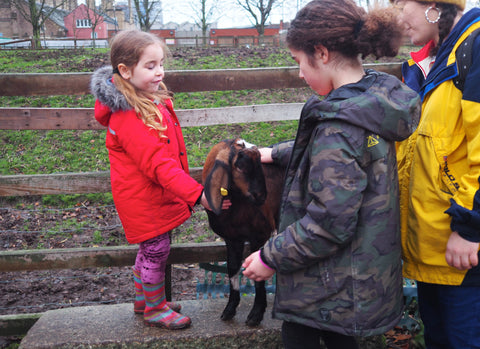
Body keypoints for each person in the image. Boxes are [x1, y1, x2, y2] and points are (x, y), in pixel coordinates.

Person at [241, 1, 421, 348]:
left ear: (321, 53)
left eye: (299, 62)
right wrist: (275, 153)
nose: (299, 74)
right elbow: (343, 160)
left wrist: (269, 256)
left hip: (327, 288)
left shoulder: (339, 127)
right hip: (355, 282)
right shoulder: (369, 101)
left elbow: (328, 223)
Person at [90, 29, 219, 330]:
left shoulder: (144, 100)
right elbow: (159, 165)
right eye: (150, 66)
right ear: (124, 70)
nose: (159, 72)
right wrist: (198, 194)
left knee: (151, 250)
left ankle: (143, 300)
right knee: (156, 250)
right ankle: (154, 308)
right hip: (144, 200)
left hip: (149, 196)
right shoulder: (129, 115)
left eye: (161, 64)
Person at [392, 0, 480, 347]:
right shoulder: (422, 65)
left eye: (401, 5)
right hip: (431, 249)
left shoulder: (473, 50)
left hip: (466, 254)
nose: (398, 18)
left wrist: (471, 226)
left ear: (433, 4)